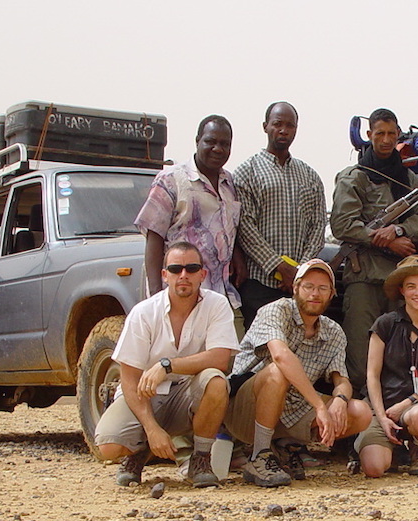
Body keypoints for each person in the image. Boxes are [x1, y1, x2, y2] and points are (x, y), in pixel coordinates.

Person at [330, 108, 418, 394]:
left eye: (391, 133)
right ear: (369, 135)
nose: (386, 140)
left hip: (400, 284)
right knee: (361, 360)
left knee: (399, 360)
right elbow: (343, 225)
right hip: (366, 278)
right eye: (379, 133)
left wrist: (397, 231)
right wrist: (380, 238)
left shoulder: (411, 181)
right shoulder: (354, 177)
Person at [93, 242, 237, 488]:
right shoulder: (143, 312)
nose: (184, 275)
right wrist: (151, 429)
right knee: (108, 446)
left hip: (187, 394)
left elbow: (220, 358)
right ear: (164, 275)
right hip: (146, 395)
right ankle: (137, 453)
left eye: (192, 269)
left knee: (215, 380)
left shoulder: (218, 304)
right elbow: (129, 379)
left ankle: (200, 460)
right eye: (175, 268)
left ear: (203, 274)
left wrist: (167, 365)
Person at [224, 259, 373, 487]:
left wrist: (341, 400)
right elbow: (281, 356)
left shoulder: (333, 332)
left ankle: (285, 446)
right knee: (278, 371)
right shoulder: (276, 310)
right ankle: (260, 455)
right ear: (295, 288)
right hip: (246, 407)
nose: (315, 294)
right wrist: (320, 406)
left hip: (293, 408)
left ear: (332, 293)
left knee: (360, 412)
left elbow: (341, 378)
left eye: (323, 288)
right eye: (308, 287)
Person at [356, 255, 418, 477]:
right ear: (402, 290)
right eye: (411, 286)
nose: (417, 293)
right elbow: (372, 376)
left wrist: (405, 404)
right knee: (374, 469)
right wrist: (382, 417)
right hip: (381, 405)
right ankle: (392, 448)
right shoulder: (385, 324)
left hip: (417, 404)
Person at [232, 102, 327, 329]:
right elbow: (245, 227)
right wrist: (280, 268)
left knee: (299, 350)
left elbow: (318, 225)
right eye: (277, 124)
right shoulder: (247, 171)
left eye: (289, 125)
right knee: (261, 351)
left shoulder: (310, 176)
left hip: (301, 288)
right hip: (259, 283)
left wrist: (299, 272)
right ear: (265, 127)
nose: (283, 130)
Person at [136, 115, 243, 308]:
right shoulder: (171, 180)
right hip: (179, 296)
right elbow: (154, 237)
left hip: (221, 299)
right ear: (197, 141)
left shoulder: (230, 184)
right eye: (210, 141)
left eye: (224, 144)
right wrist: (155, 299)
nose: (217, 149)